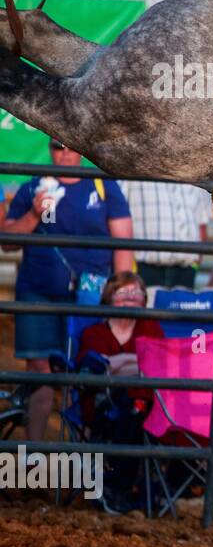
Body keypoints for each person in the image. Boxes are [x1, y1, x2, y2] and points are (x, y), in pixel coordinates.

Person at [0, 138, 133, 443]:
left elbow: (124, 240)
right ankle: (33, 452)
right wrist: (34, 215)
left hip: (91, 294)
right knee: (39, 369)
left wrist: (122, 294)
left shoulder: (103, 188)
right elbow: (7, 241)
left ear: (83, 150)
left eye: (72, 146)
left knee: (84, 371)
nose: (66, 152)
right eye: (58, 146)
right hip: (38, 292)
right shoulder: (33, 188)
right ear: (50, 149)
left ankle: (79, 452)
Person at [77, 272, 165, 513]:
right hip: (103, 402)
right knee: (132, 402)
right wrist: (130, 364)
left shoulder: (151, 327)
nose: (131, 298)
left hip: (143, 404)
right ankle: (120, 487)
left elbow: (159, 364)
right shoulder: (94, 333)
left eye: (136, 292)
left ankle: (117, 487)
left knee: (135, 402)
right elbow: (89, 369)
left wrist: (119, 364)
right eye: (123, 292)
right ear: (109, 297)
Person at [119, 180, 212, 288]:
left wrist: (194, 266)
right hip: (144, 269)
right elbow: (116, 214)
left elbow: (202, 224)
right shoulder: (135, 166)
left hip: (186, 271)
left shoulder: (196, 171)